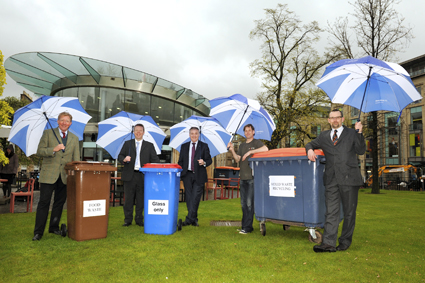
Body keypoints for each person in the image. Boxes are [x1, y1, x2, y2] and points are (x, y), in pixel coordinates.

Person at [305, 109, 366, 252]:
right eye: (332, 118)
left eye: (337, 117)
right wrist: (309, 150)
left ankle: (344, 242)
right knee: (331, 212)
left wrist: (359, 133)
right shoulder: (324, 136)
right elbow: (310, 144)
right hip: (331, 179)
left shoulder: (352, 133)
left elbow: (361, 150)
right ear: (328, 120)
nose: (335, 120)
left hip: (349, 178)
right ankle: (328, 243)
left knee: (349, 212)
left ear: (342, 119)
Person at [33, 112, 80, 241]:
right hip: (49, 175)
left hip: (65, 176)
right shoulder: (48, 133)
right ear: (58, 121)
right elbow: (39, 151)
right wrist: (54, 149)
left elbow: (76, 159)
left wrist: (74, 176)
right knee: (44, 203)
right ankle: (38, 232)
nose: (64, 123)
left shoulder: (74, 139)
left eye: (67, 121)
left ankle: (53, 228)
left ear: (70, 123)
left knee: (59, 203)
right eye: (62, 120)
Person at [227, 124, 268, 234]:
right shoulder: (242, 145)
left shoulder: (256, 143)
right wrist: (232, 150)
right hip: (243, 178)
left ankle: (247, 228)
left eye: (250, 130)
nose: (248, 132)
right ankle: (244, 226)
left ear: (253, 132)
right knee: (243, 204)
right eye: (246, 131)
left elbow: (266, 149)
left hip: (252, 178)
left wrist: (250, 152)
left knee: (249, 203)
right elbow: (237, 160)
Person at [118, 124, 159, 227]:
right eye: (136, 130)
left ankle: (139, 219)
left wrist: (151, 168)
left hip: (143, 176)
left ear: (144, 132)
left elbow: (155, 161)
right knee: (128, 199)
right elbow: (120, 156)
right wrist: (124, 159)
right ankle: (127, 220)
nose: (138, 132)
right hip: (129, 176)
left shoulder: (149, 145)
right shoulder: (128, 144)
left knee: (141, 199)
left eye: (140, 130)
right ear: (133, 132)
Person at [178, 127, 212, 226]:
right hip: (187, 175)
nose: (194, 135)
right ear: (189, 135)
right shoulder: (184, 146)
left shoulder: (204, 146)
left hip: (199, 175)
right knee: (189, 198)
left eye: (196, 133)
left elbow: (209, 160)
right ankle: (194, 219)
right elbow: (180, 161)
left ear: (199, 135)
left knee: (195, 197)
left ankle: (189, 219)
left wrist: (204, 162)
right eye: (192, 133)